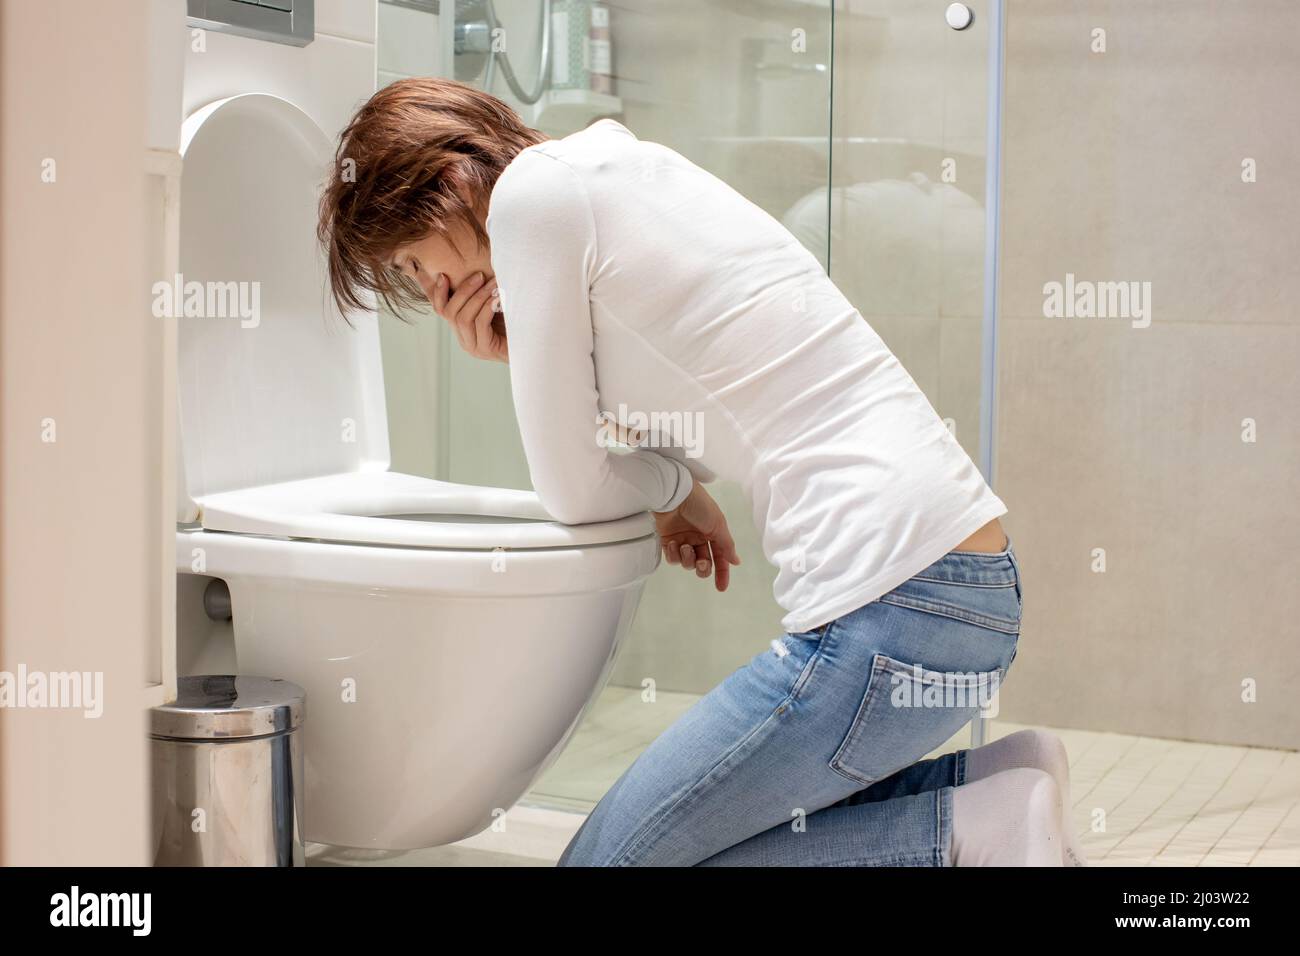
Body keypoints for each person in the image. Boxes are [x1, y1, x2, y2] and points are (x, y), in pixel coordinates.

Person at [318, 77, 1085, 867]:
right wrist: (541, 367)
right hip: (966, 594)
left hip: (890, 609)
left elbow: (573, 493)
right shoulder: (616, 164)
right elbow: (701, 416)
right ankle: (995, 784)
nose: (431, 289)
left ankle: (966, 832)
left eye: (413, 261)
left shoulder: (529, 200)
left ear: (441, 188)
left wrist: (673, 491)